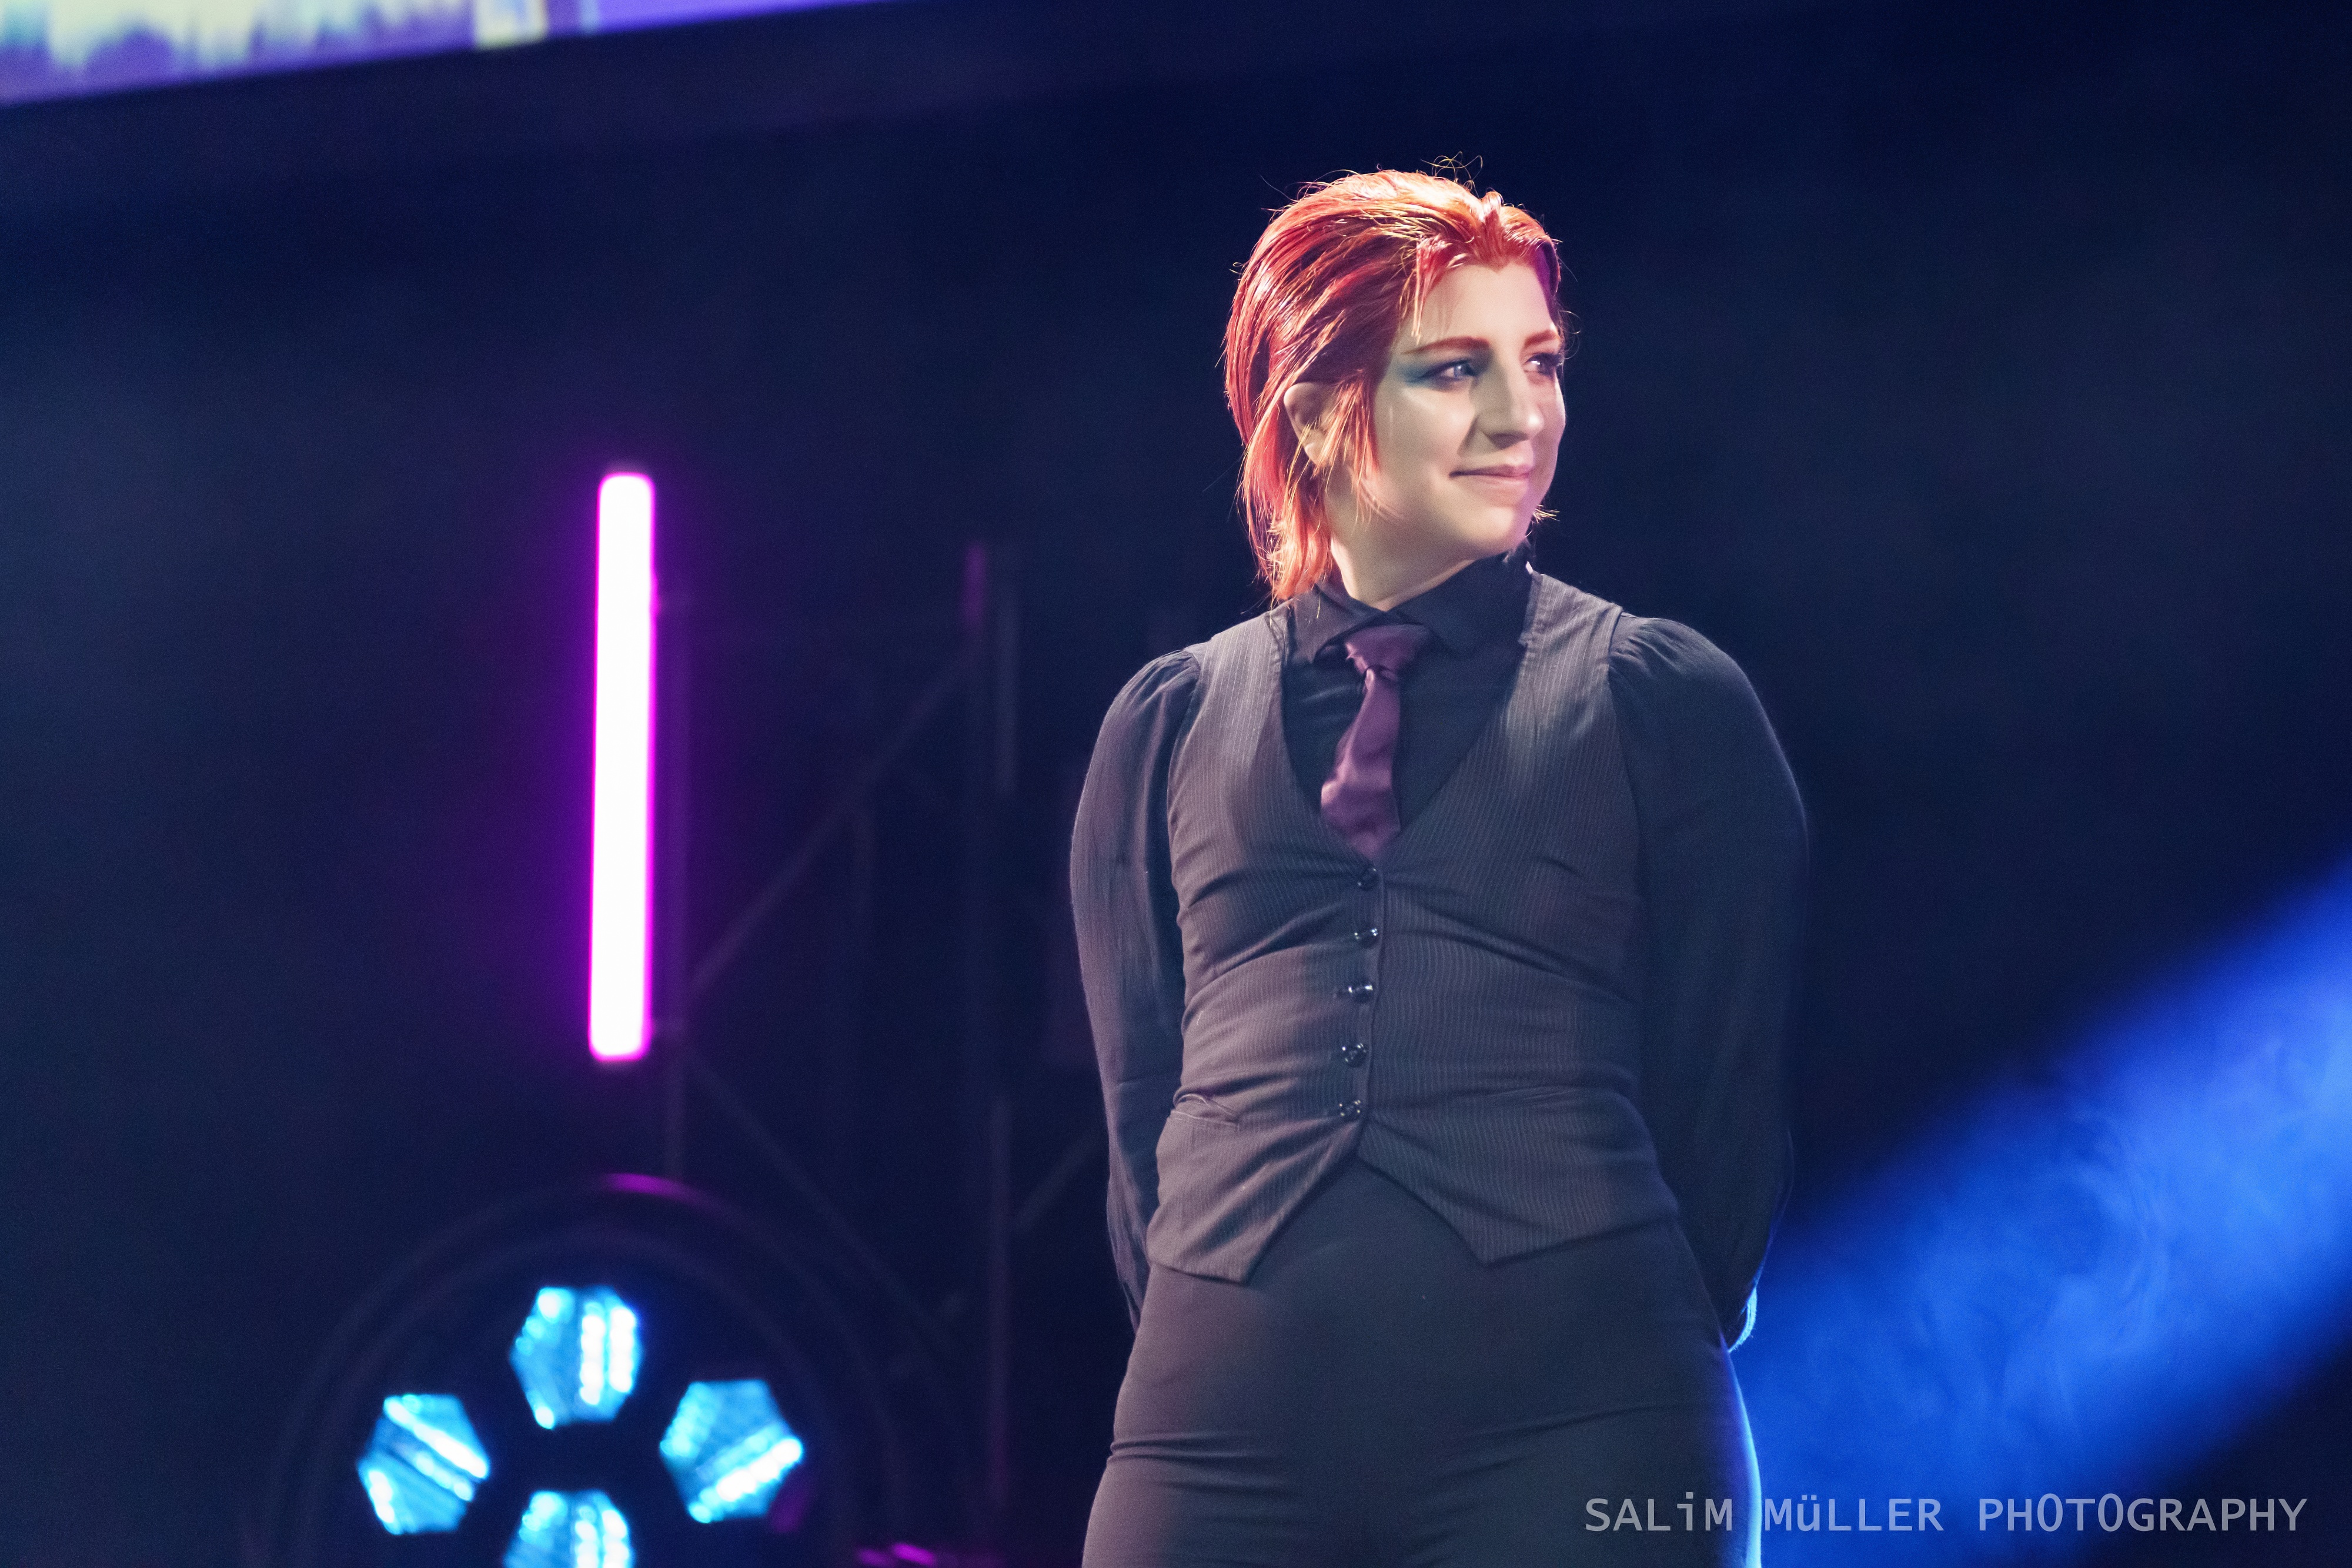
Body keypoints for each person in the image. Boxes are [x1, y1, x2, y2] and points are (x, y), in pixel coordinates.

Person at [1070, 169, 1805, 1567]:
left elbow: (1725, 1100)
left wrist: (1623, 1315)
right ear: (1315, 409)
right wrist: (1224, 1308)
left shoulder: (1660, 699)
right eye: (1455, 370)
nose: (1521, 417)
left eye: (1541, 363)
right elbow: (1136, 1107)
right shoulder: (1164, 722)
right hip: (1218, 1434)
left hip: (1584, 1419)